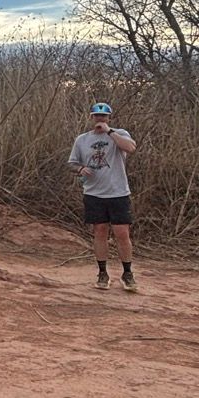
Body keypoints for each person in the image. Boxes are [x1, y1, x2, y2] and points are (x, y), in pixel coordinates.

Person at [68, 102, 139, 293]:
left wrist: (109, 131)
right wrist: (80, 169)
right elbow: (72, 163)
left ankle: (127, 273)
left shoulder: (119, 134)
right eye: (97, 116)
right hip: (94, 193)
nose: (100, 119)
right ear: (91, 117)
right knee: (100, 231)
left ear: (109, 117)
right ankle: (102, 272)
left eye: (104, 116)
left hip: (118, 192)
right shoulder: (82, 139)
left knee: (122, 233)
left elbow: (130, 148)